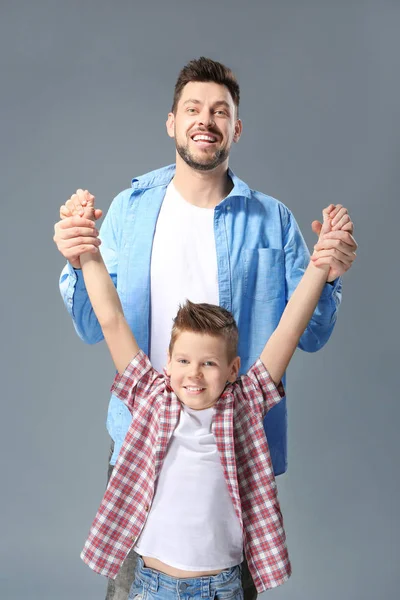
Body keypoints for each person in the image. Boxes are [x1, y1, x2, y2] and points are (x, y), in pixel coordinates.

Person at [53, 57, 357, 600]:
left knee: (231, 581)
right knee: (131, 588)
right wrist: (80, 257)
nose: (206, 120)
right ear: (171, 121)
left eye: (221, 111)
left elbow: (301, 334)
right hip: (141, 435)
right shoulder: (129, 211)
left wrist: (326, 274)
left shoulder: (275, 221)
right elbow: (100, 322)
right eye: (193, 108)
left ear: (236, 128)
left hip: (236, 442)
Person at [63, 193, 343, 597]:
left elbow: (289, 329)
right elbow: (110, 318)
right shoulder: (151, 398)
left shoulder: (244, 404)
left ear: (233, 369)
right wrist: (86, 248)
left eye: (209, 364)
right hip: (151, 586)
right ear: (167, 363)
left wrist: (322, 264)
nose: (193, 374)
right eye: (182, 361)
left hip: (222, 589)